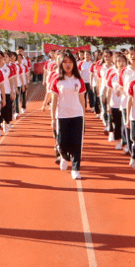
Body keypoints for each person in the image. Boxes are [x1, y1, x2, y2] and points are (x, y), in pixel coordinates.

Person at [49, 50, 87, 180]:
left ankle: (75, 169)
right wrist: (53, 118)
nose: (68, 65)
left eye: (70, 62)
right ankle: (64, 156)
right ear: (61, 64)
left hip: (77, 115)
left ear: (74, 64)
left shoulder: (79, 80)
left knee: (77, 143)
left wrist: (84, 115)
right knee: (62, 142)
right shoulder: (57, 80)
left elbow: (82, 99)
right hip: (62, 116)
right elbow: (54, 101)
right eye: (65, 62)